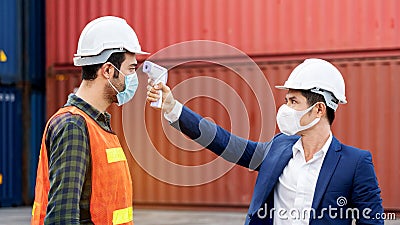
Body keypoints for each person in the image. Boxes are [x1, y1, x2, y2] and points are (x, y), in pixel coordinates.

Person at [147, 58, 383, 225]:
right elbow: (225, 142)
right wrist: (173, 108)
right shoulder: (278, 147)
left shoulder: (355, 163)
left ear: (319, 109)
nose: (285, 109)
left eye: (293, 101)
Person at [31, 16, 148, 224]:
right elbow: (62, 218)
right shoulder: (73, 126)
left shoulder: (97, 124)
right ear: (108, 70)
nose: (134, 77)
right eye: (131, 69)